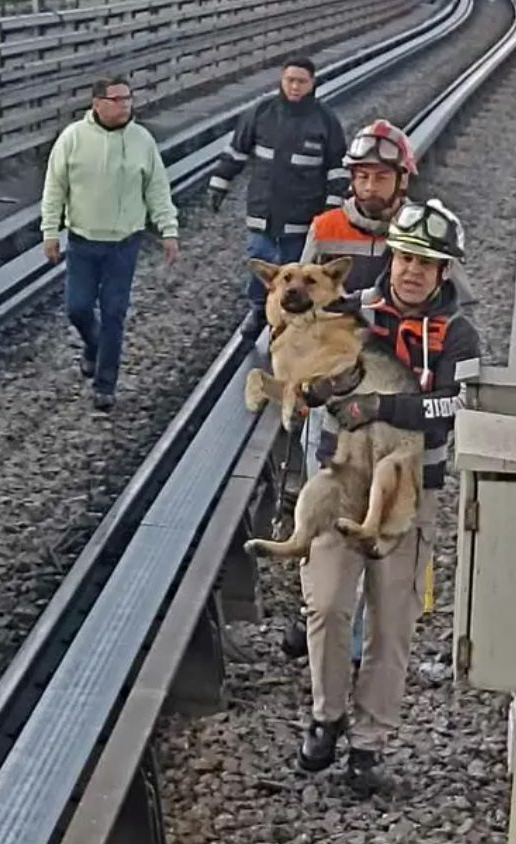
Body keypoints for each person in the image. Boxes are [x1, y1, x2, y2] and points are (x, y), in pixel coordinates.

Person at [294, 198, 481, 794]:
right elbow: (307, 359)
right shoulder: (350, 310)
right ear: (390, 259)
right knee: (326, 605)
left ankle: (369, 745)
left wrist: (385, 406)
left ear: (443, 272)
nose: (411, 271)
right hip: (339, 478)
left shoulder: (458, 334)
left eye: (426, 263)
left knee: (392, 625)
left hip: (407, 495)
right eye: (404, 258)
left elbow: (458, 406)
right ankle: (327, 714)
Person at [279, 120, 419, 668]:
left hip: (385, 399)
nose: (370, 188)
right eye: (362, 176)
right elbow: (296, 303)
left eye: (380, 177)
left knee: (372, 509)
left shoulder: (416, 231)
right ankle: (315, 604)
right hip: (333, 393)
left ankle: (353, 633)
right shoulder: (327, 227)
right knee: (324, 495)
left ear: (400, 180)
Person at [41, 75, 179, 412]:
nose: (124, 106)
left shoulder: (141, 140)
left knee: (115, 312)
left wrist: (168, 229)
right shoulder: (73, 139)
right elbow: (55, 187)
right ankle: (93, 346)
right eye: (116, 100)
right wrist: (50, 231)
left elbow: (157, 188)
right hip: (83, 241)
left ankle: (105, 385)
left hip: (123, 243)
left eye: (127, 99)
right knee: (78, 308)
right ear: (97, 103)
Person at [206, 56, 349, 340]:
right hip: (263, 213)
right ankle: (259, 312)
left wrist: (332, 209)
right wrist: (219, 183)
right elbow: (237, 152)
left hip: (302, 218)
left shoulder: (325, 122)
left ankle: (291, 330)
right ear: (282, 81)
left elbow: (337, 168)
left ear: (312, 84)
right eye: (290, 80)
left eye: (301, 81)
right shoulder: (260, 113)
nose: (295, 86)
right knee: (262, 266)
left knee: (296, 279)